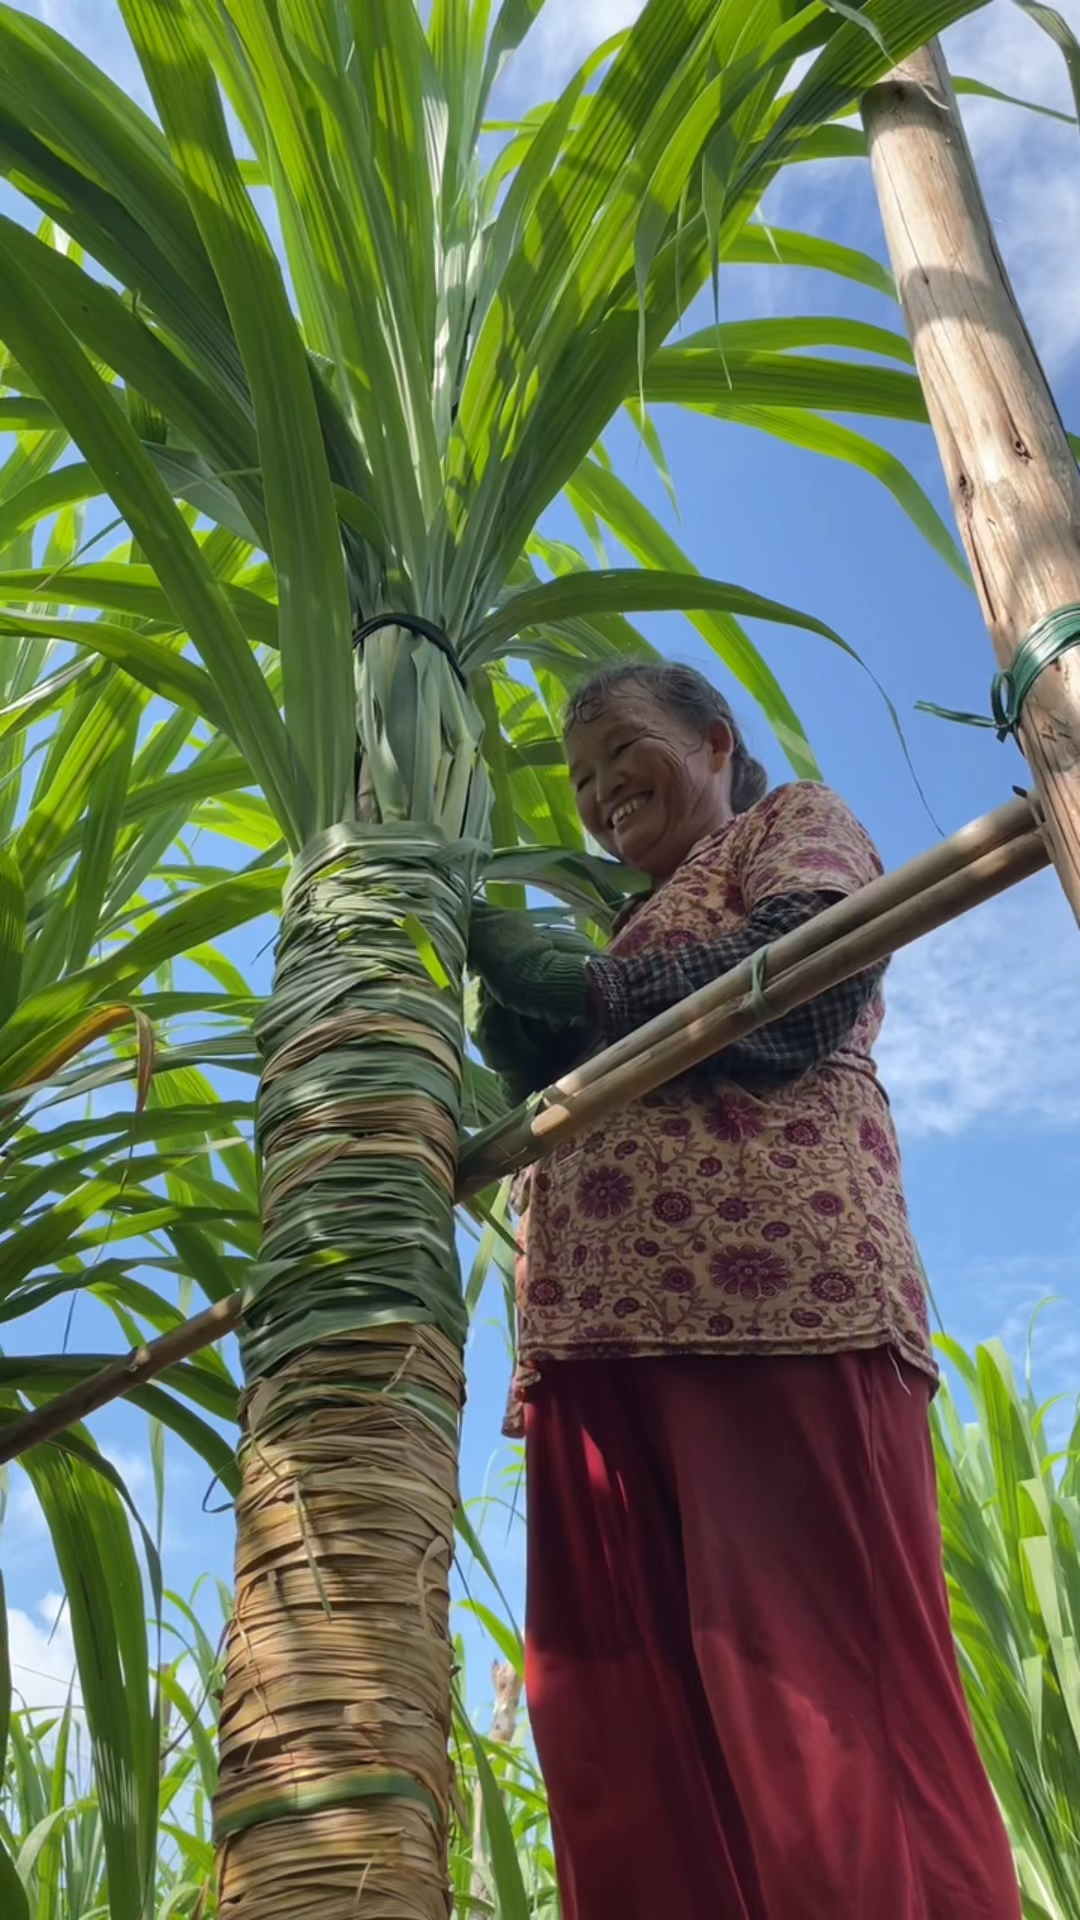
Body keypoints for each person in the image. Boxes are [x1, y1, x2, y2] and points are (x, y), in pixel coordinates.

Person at [466, 661, 1020, 1920]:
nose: (605, 794)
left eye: (626, 754)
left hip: (778, 1310)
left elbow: (807, 986)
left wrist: (585, 995)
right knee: (628, 1741)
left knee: (823, 1706)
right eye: (585, 782)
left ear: (716, 741)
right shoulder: (631, 922)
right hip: (593, 1349)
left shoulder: (789, 825)